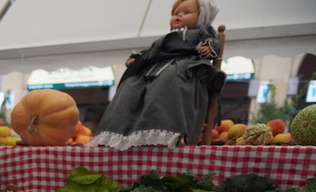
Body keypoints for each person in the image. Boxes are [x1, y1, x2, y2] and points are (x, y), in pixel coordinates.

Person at [88, 0, 226, 150]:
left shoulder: (200, 32)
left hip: (180, 67)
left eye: (187, 13)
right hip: (153, 68)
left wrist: (209, 46)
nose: (178, 16)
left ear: (202, 17)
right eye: (175, 13)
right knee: (130, 85)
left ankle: (165, 131)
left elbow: (212, 41)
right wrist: (138, 58)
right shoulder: (165, 38)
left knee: (166, 85)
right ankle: (121, 132)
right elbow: (152, 52)